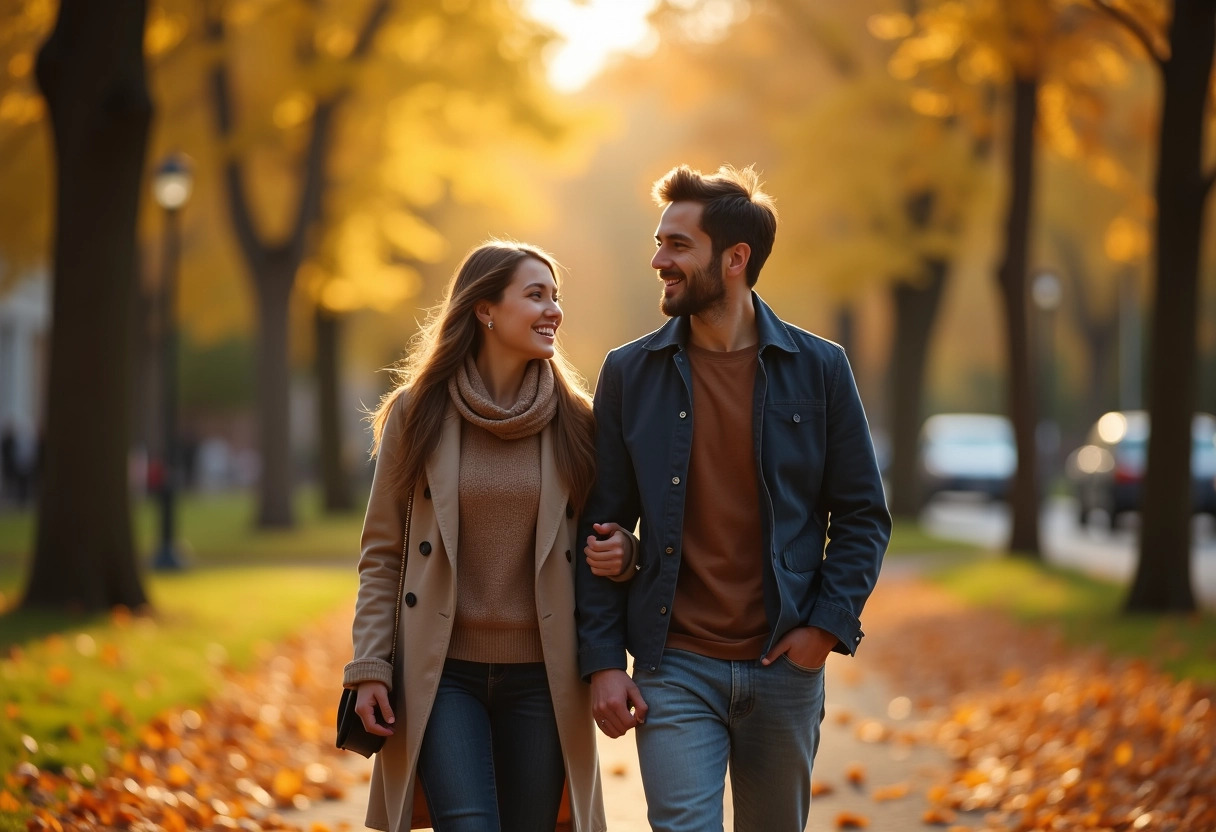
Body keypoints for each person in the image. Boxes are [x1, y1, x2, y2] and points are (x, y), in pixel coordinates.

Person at [575, 164, 891, 832]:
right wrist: (604, 662)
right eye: (659, 242)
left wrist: (826, 627)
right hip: (673, 663)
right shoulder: (630, 372)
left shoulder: (820, 367)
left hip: (784, 663)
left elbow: (862, 512)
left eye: (678, 245)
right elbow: (601, 526)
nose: (659, 260)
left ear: (736, 258)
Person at [344, 240, 626, 832]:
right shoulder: (415, 413)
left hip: (544, 676)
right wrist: (369, 664)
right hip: (442, 671)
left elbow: (617, 535)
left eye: (557, 297)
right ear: (485, 309)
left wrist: (627, 554)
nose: (554, 310)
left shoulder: (580, 421)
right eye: (535, 295)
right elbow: (382, 552)